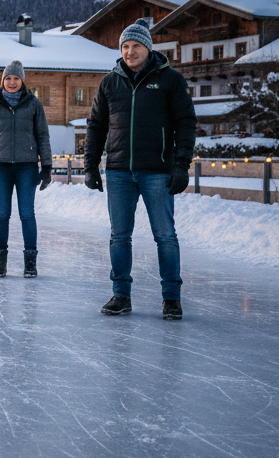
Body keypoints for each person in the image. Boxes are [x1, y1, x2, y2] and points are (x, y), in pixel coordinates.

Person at [84, 18, 196, 320]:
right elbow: (96, 126)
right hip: (119, 170)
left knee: (165, 235)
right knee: (119, 235)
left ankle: (171, 298)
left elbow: (186, 123)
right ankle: (121, 295)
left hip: (157, 171)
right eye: (125, 46)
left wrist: (181, 165)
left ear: (147, 48)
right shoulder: (110, 82)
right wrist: (91, 165)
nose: (130, 51)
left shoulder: (170, 79)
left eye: (135, 46)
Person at [0, 60, 52, 278]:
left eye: (16, 78)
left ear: (22, 81)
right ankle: (0, 263)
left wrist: (46, 166)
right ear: (2, 81)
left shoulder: (33, 104)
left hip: (27, 167)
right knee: (2, 215)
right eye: (8, 78)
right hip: (0, 167)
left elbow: (43, 136)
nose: (11, 82)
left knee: (27, 214)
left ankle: (30, 263)